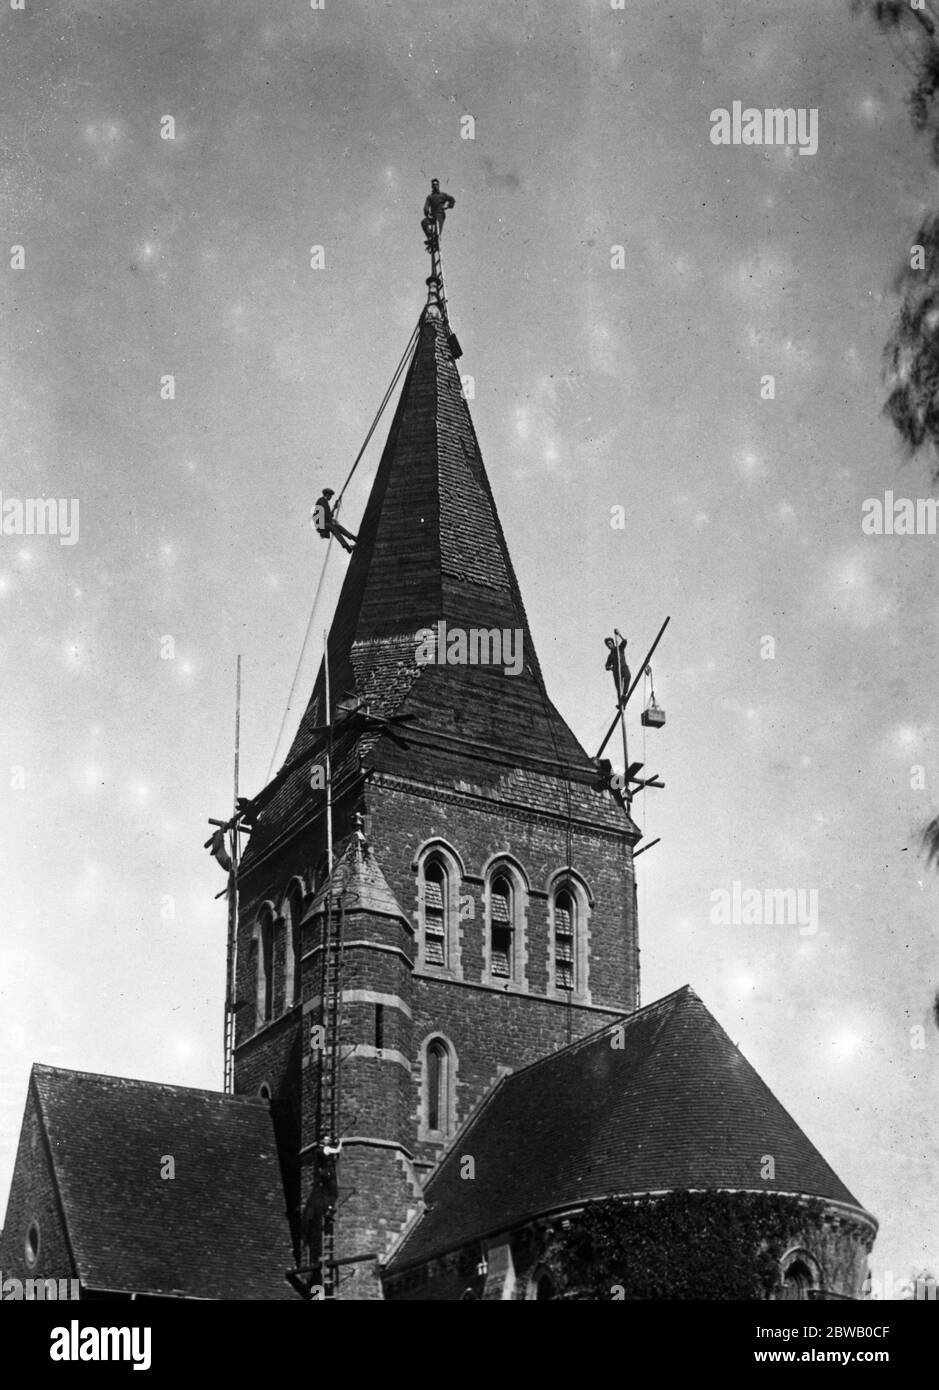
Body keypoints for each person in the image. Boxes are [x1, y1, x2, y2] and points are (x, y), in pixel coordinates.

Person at [312, 488, 356, 553]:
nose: (331, 497)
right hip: (320, 523)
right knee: (334, 529)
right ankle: (347, 546)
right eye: (330, 496)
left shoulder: (325, 502)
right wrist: (331, 520)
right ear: (327, 495)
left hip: (324, 522)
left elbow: (329, 514)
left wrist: (334, 507)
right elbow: (325, 514)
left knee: (338, 527)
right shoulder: (321, 500)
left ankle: (352, 537)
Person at [604, 634, 631, 706]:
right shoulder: (610, 656)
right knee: (619, 688)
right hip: (616, 671)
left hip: (623, 667)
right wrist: (611, 668)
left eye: (610, 643)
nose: (609, 645)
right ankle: (621, 704)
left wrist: (619, 634)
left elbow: (624, 641)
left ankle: (624, 695)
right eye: (607, 645)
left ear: (613, 643)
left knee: (628, 676)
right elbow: (606, 666)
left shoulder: (619, 648)